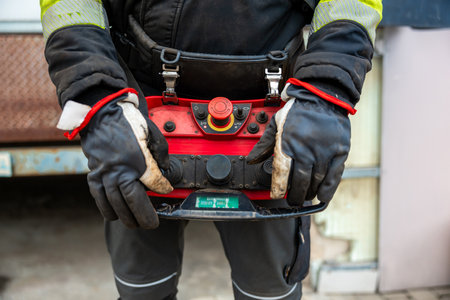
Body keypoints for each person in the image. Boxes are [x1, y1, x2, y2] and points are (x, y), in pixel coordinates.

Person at [40, 0, 382, 299]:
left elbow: (350, 3)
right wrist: (98, 97)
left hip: (274, 125)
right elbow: (71, 4)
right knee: (142, 289)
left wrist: (323, 91)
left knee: (267, 292)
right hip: (137, 121)